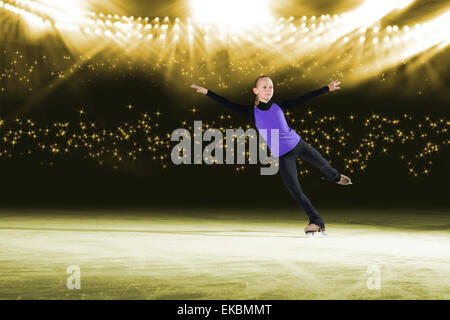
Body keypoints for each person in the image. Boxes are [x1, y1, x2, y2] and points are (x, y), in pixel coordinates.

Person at [190, 76, 352, 237]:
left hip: (298, 145)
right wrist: (207, 92)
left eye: (271, 87)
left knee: (325, 166)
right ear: (256, 91)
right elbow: (227, 103)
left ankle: (334, 177)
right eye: (265, 87)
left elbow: (303, 98)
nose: (269, 90)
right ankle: (316, 221)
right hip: (283, 156)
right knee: (296, 192)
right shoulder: (252, 112)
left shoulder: (279, 106)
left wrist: (327, 88)